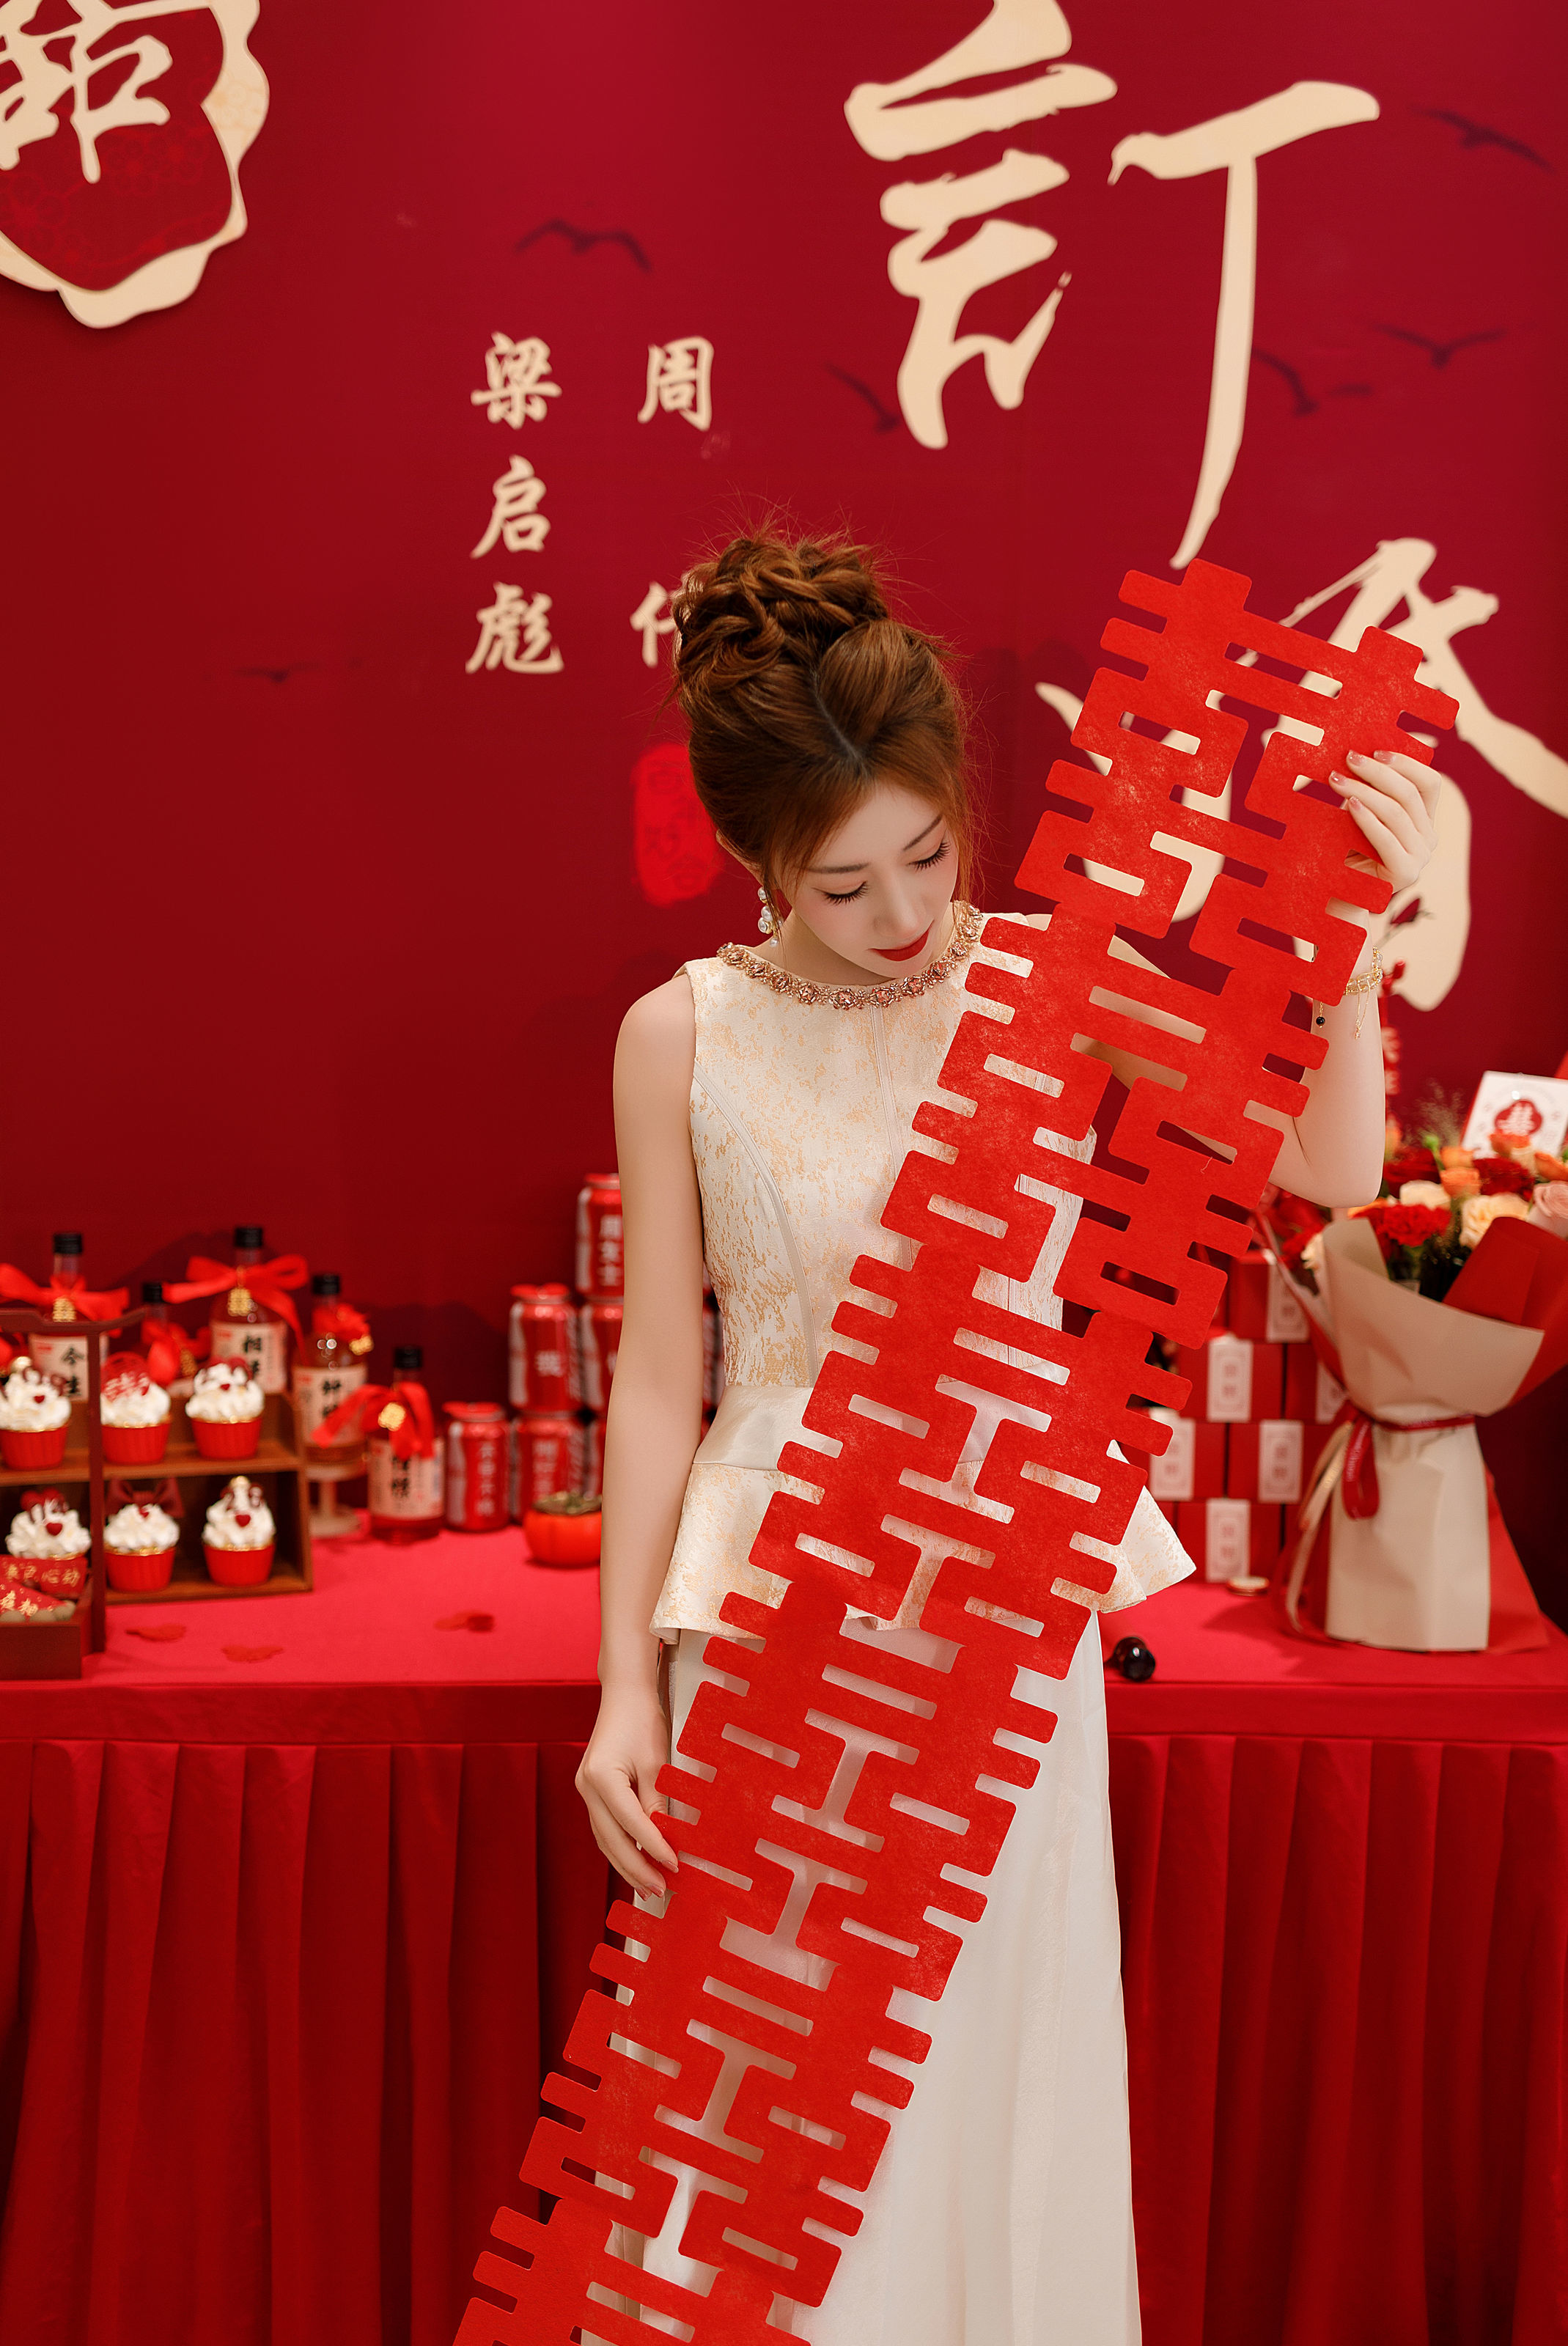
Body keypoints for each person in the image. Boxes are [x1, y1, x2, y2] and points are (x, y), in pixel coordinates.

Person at [575, 532, 1439, 2342]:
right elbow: (661, 1373)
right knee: (755, 2101)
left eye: (927, 856)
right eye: (842, 884)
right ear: (754, 863)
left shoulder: (1044, 981)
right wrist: (623, 1694)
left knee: (983, 2067)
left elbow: (1328, 1165)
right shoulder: (676, 1037)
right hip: (772, 1610)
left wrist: (1348, 970)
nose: (902, 914)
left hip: (995, 1595)